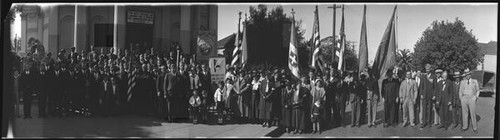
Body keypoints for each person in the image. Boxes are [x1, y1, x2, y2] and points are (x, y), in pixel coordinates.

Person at [459, 68, 479, 133]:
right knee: (464, 113)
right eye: (466, 74)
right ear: (465, 75)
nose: (467, 75)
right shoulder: (462, 82)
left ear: (470, 74)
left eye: (468, 74)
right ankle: (465, 127)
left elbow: (478, 90)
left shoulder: (475, 81)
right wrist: (461, 98)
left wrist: (476, 97)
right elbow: (460, 91)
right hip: (464, 98)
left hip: (472, 98)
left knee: (473, 113)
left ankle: (475, 127)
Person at [419, 64, 436, 129]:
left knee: (430, 109)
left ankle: (429, 122)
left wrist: (434, 95)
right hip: (424, 95)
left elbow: (435, 87)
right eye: (426, 69)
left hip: (430, 96)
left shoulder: (433, 76)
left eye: (428, 69)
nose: (427, 70)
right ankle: (424, 122)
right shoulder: (423, 76)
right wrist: (421, 94)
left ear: (430, 69)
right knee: (424, 109)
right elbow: (421, 86)